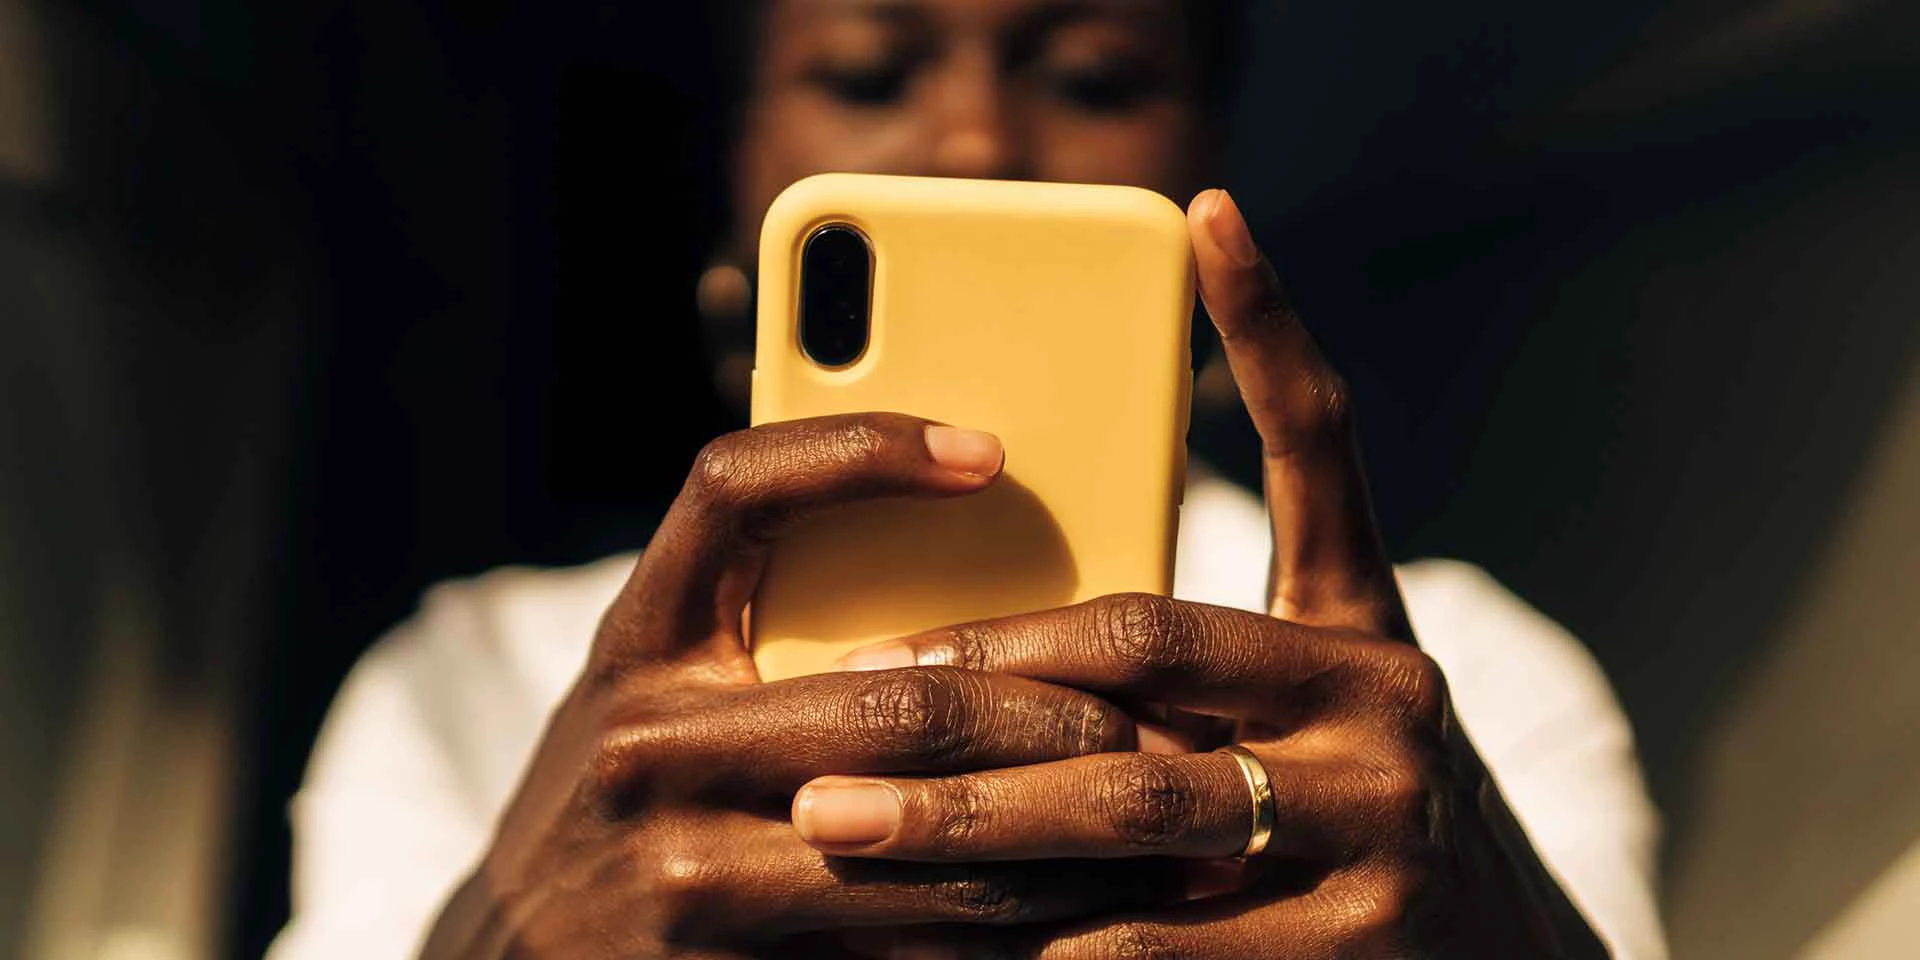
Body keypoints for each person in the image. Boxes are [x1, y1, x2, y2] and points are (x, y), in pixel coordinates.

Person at [269, 2, 1664, 957]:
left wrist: (1502, 935)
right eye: (871, 73)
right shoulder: (474, 682)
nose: (978, 148)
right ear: (735, 186)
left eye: (1095, 77)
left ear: (1209, 165)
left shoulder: (1457, 680)